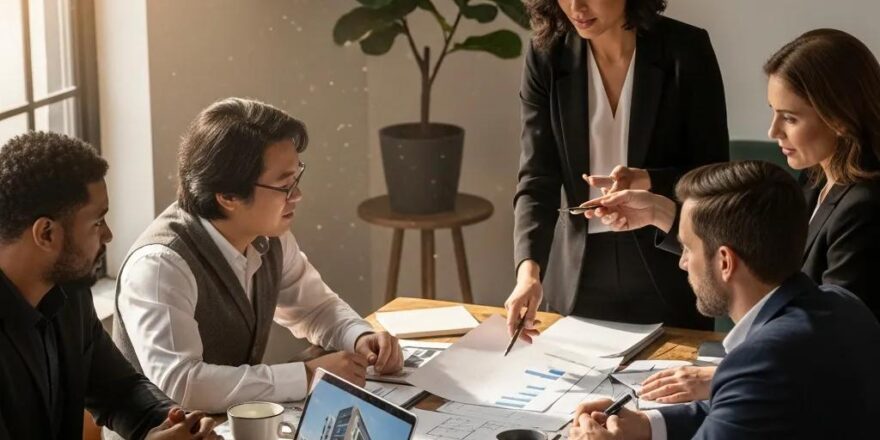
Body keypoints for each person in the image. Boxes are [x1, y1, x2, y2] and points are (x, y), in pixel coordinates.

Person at [587, 28, 880, 405]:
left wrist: (724, 377)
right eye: (773, 113)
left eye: (789, 118)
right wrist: (661, 212)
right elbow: (755, 254)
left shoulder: (867, 208)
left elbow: (832, 339)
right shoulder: (815, 178)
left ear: (839, 117)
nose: (772, 131)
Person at [112, 98, 403, 415]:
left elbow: (315, 308)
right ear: (228, 196)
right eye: (284, 185)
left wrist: (359, 336)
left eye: (297, 179)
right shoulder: (160, 265)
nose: (297, 195)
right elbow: (182, 384)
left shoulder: (269, 237)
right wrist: (306, 375)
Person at [568, 161, 880, 440]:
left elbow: (746, 399)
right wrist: (647, 425)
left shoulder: (760, 362)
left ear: (725, 262)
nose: (683, 263)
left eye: (688, 249)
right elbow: (738, 412)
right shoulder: (843, 305)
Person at [508, 0, 729, 342]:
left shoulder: (686, 50)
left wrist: (650, 180)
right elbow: (538, 176)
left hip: (669, 268)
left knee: (667, 390)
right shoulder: (547, 55)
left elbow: (713, 175)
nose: (576, 6)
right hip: (576, 277)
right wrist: (528, 272)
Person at [0, 132, 218, 439]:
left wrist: (177, 425)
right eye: (97, 222)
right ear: (46, 233)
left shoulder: (68, 293)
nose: (109, 235)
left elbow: (120, 390)